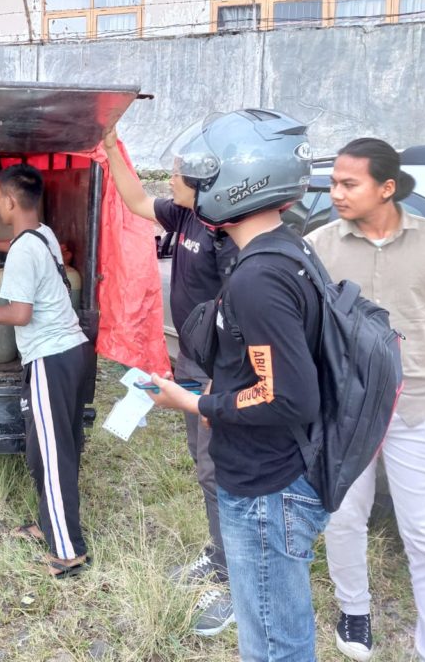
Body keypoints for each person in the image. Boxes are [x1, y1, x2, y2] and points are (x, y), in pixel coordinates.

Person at [146, 109, 329, 661]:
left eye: (200, 179)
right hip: (276, 471)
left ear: (234, 184)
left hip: (264, 488)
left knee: (272, 637)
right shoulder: (288, 250)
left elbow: (286, 395)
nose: (192, 190)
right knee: (278, 626)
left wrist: (198, 401)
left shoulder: (257, 278)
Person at [305, 138, 425, 662]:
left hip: (421, 411)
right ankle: (354, 611)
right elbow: (310, 331)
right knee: (344, 516)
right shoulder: (321, 245)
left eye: (347, 183)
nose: (335, 193)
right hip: (346, 411)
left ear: (386, 187)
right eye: (332, 182)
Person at [102, 126, 238, 635]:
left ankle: (232, 578)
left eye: (179, 173)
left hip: (218, 369)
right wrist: (113, 145)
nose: (172, 178)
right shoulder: (181, 215)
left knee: (218, 467)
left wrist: (217, 379)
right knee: (204, 466)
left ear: (204, 181)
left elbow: (242, 316)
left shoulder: (225, 234)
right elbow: (134, 198)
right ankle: (220, 555)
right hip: (192, 361)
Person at [0, 163, 95, 578]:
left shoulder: (24, 250)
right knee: (49, 450)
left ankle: (68, 551)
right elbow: (21, 246)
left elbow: (21, 314)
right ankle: (49, 524)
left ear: (9, 201)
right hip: (74, 352)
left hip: (50, 359)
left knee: (52, 456)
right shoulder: (44, 235)